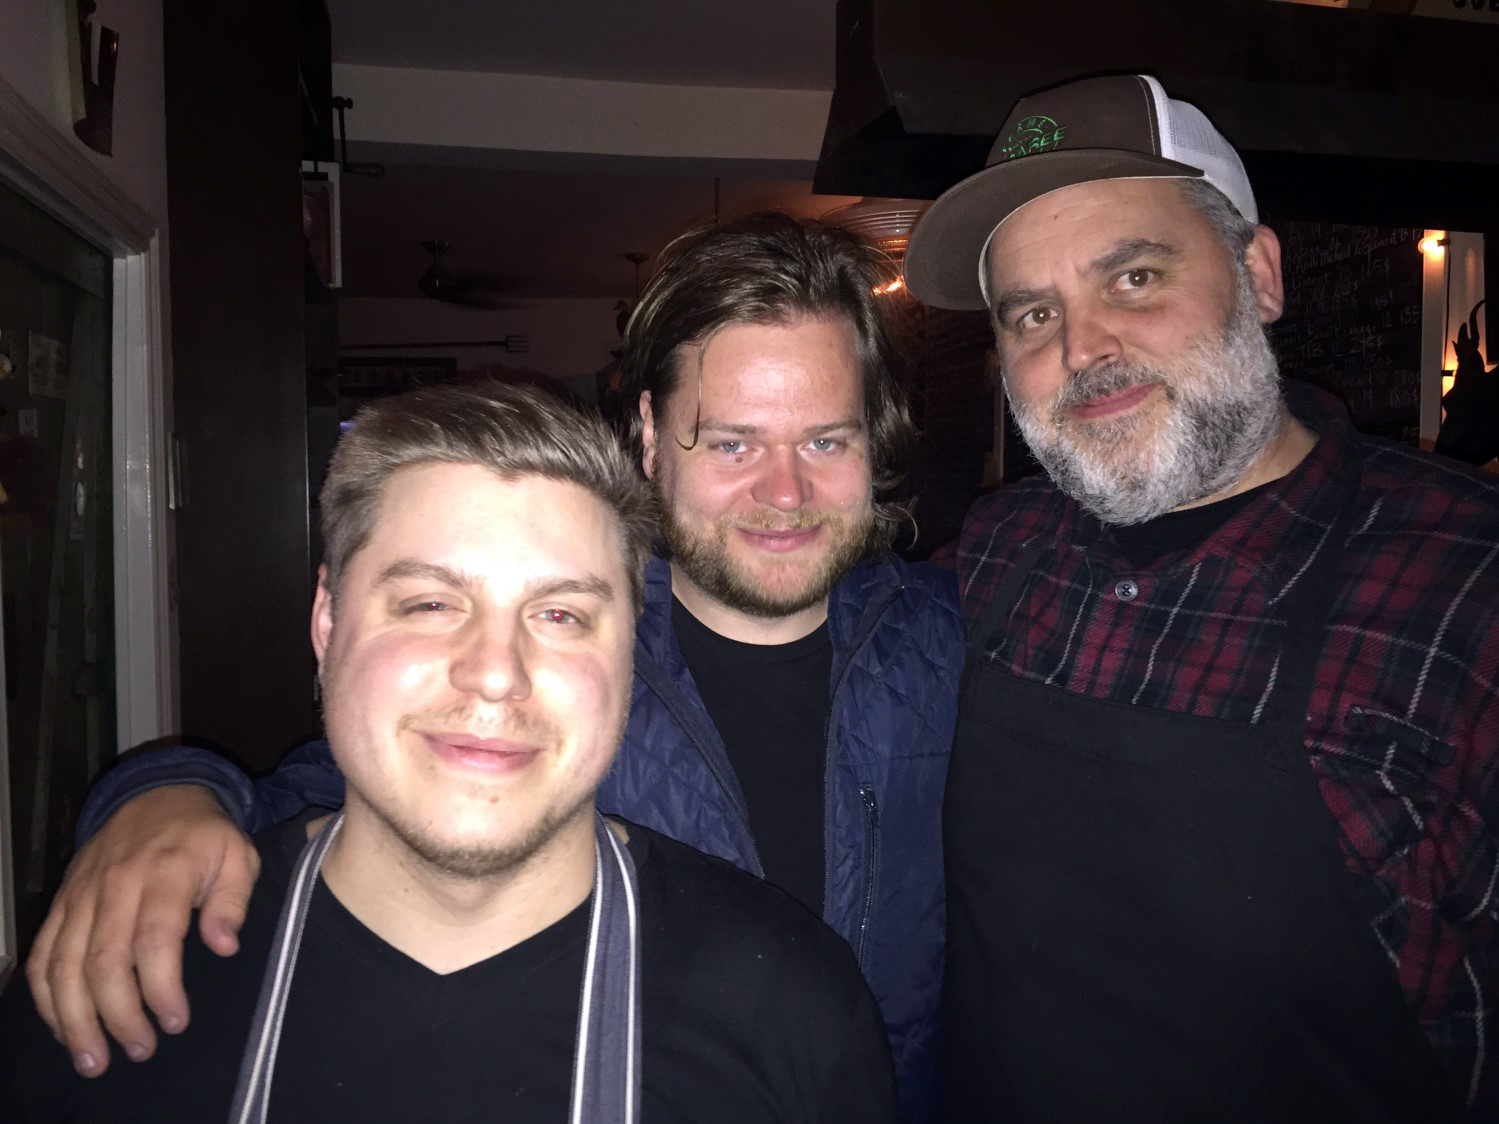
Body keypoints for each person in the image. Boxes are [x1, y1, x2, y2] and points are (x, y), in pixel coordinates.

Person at [24, 215, 961, 1120]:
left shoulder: (951, 641)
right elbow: (367, 781)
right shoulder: (572, 646)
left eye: (825, 441)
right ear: (645, 431)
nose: (785, 492)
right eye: (731, 442)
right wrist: (164, 795)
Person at [902, 72, 1498, 1120]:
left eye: (1131, 277)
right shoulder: (998, 552)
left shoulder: (1466, 585)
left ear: (1257, 273)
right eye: (1031, 312)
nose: (1080, 350)